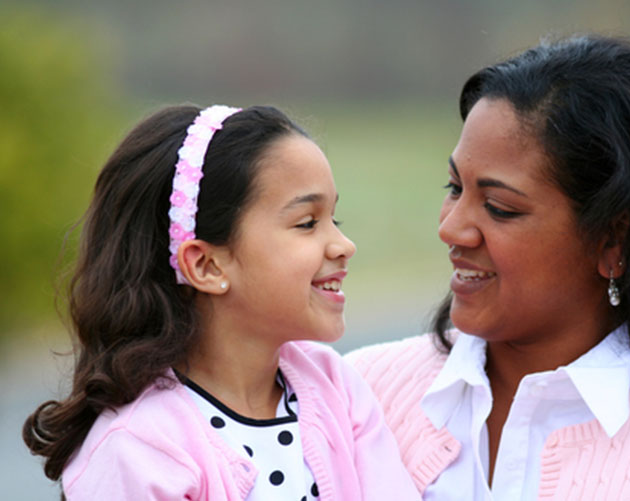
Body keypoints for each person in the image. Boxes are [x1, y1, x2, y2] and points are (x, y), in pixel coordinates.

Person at [346, 35, 630, 500]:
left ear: (614, 240)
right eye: (454, 187)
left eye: (499, 207)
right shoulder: (357, 392)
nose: (452, 229)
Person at [23, 104, 420, 500]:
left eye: (336, 219)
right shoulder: (140, 449)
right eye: (307, 223)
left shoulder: (335, 388)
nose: (344, 245)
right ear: (207, 265)